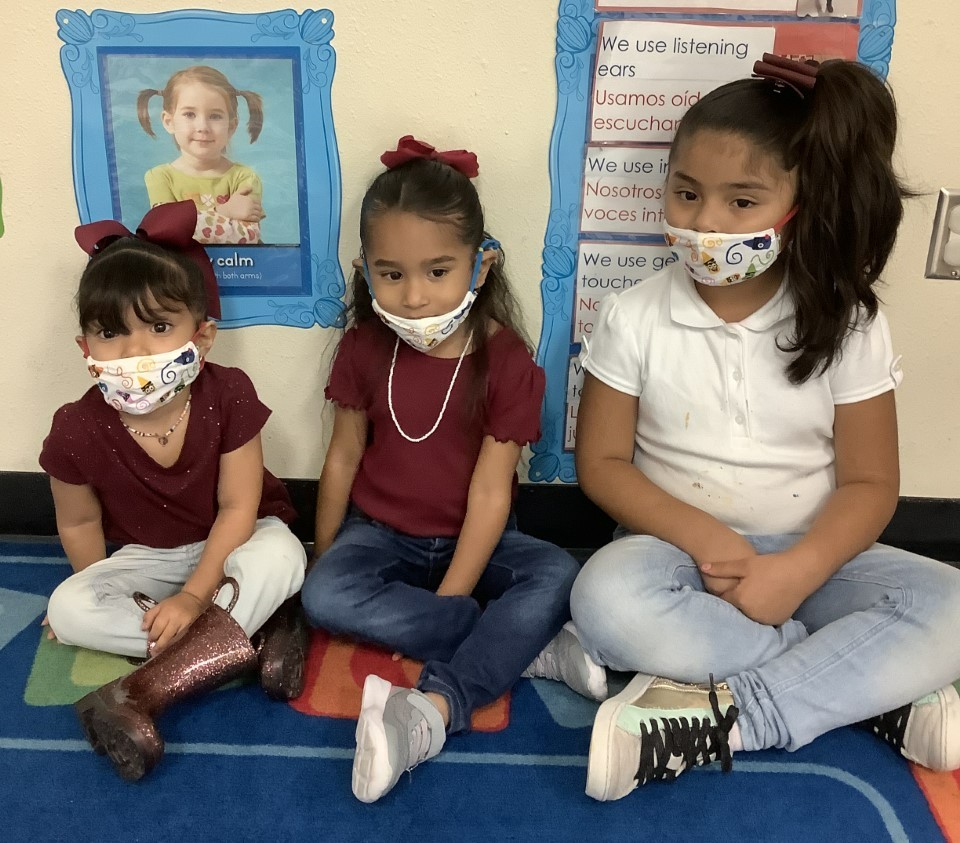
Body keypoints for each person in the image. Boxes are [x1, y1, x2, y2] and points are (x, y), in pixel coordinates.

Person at [570, 54, 960, 801]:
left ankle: (738, 715)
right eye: (686, 192)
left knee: (953, 605)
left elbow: (872, 482)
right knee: (604, 600)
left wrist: (800, 569)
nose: (704, 223)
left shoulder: (849, 322)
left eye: (741, 201)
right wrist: (707, 538)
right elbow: (603, 464)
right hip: (678, 562)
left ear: (799, 205)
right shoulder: (632, 315)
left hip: (816, 561)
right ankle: (865, 690)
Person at [301, 136, 581, 803]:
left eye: (436, 270)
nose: (414, 296)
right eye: (391, 273)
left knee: (557, 574)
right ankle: (509, 642)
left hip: (479, 541)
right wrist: (323, 552)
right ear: (364, 270)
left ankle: (464, 665)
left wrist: (454, 596)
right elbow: (342, 456)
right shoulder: (364, 346)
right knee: (323, 596)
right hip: (382, 534)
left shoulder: (507, 361)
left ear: (481, 266)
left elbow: (490, 494)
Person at [40, 200, 307, 780]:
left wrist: (192, 598)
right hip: (147, 558)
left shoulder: (228, 394)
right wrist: (97, 588)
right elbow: (79, 524)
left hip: (236, 540)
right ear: (85, 349)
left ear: (202, 337)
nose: (136, 351)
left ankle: (141, 693)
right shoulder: (75, 428)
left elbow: (239, 508)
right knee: (67, 606)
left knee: (284, 555)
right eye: (111, 332)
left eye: (159, 328)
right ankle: (258, 634)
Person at [139, 65, 265, 245]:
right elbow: (166, 232)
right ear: (169, 122)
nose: (203, 127)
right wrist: (223, 212)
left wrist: (187, 223)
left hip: (238, 264)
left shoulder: (245, 177)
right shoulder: (160, 177)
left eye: (215, 116)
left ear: (231, 126)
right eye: (190, 114)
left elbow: (248, 237)